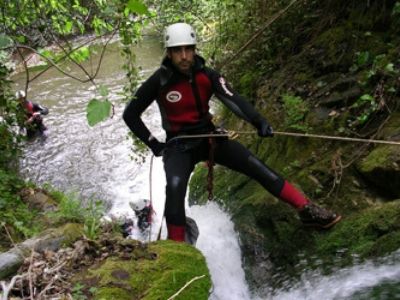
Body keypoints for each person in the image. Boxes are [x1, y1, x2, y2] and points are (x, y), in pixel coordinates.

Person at [123, 23, 341, 243]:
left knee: (257, 167)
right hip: (179, 146)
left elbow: (234, 99)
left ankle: (306, 210)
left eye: (188, 49)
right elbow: (130, 114)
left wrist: (259, 121)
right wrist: (153, 144)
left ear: (194, 49)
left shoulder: (207, 75)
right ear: (169, 53)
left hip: (211, 139)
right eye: (177, 51)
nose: (184, 56)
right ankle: (178, 249)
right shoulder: (159, 81)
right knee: (175, 190)